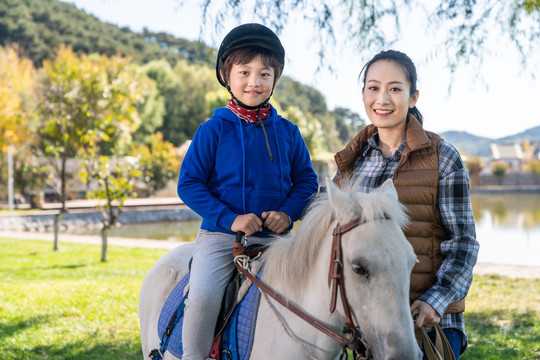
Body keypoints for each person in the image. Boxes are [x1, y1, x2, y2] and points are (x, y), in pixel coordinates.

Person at [177, 23, 318, 360]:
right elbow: (189, 184)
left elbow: (307, 182)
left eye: (265, 73)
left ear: (275, 79)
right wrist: (231, 218)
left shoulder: (288, 132)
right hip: (222, 239)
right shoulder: (212, 130)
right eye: (244, 72)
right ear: (227, 75)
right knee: (203, 297)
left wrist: (289, 213)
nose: (254, 81)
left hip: (277, 242)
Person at [334, 50, 479, 359]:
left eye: (395, 88)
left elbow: (463, 245)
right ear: (363, 94)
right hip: (371, 325)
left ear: (413, 97)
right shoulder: (350, 163)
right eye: (373, 87)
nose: (382, 99)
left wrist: (435, 302)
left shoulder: (443, 157)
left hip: (428, 322)